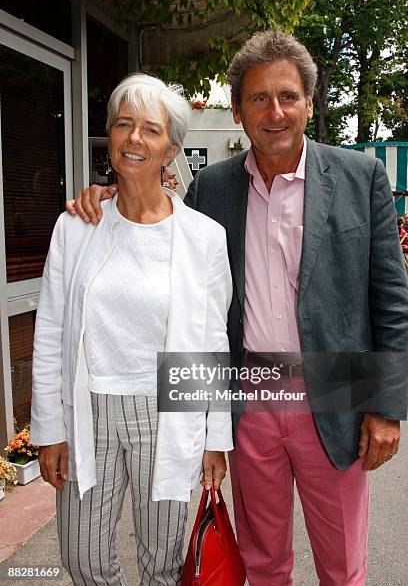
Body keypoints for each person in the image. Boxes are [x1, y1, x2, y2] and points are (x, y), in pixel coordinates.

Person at [67, 31, 408, 585]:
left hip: (339, 390)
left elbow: (392, 299)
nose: (274, 112)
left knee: (343, 564)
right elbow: (177, 274)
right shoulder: (211, 189)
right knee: (261, 561)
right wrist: (107, 195)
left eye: (287, 96)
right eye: (258, 99)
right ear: (238, 111)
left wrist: (387, 407)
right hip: (249, 397)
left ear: (309, 103)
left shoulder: (360, 178)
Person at [31, 73, 233, 586]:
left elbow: (213, 343)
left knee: (163, 562)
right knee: (83, 558)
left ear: (171, 149)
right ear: (110, 136)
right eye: (124, 125)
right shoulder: (77, 226)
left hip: (166, 411)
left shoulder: (203, 237)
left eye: (150, 129)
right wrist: (49, 430)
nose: (135, 139)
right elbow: (51, 330)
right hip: (89, 408)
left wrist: (214, 437)